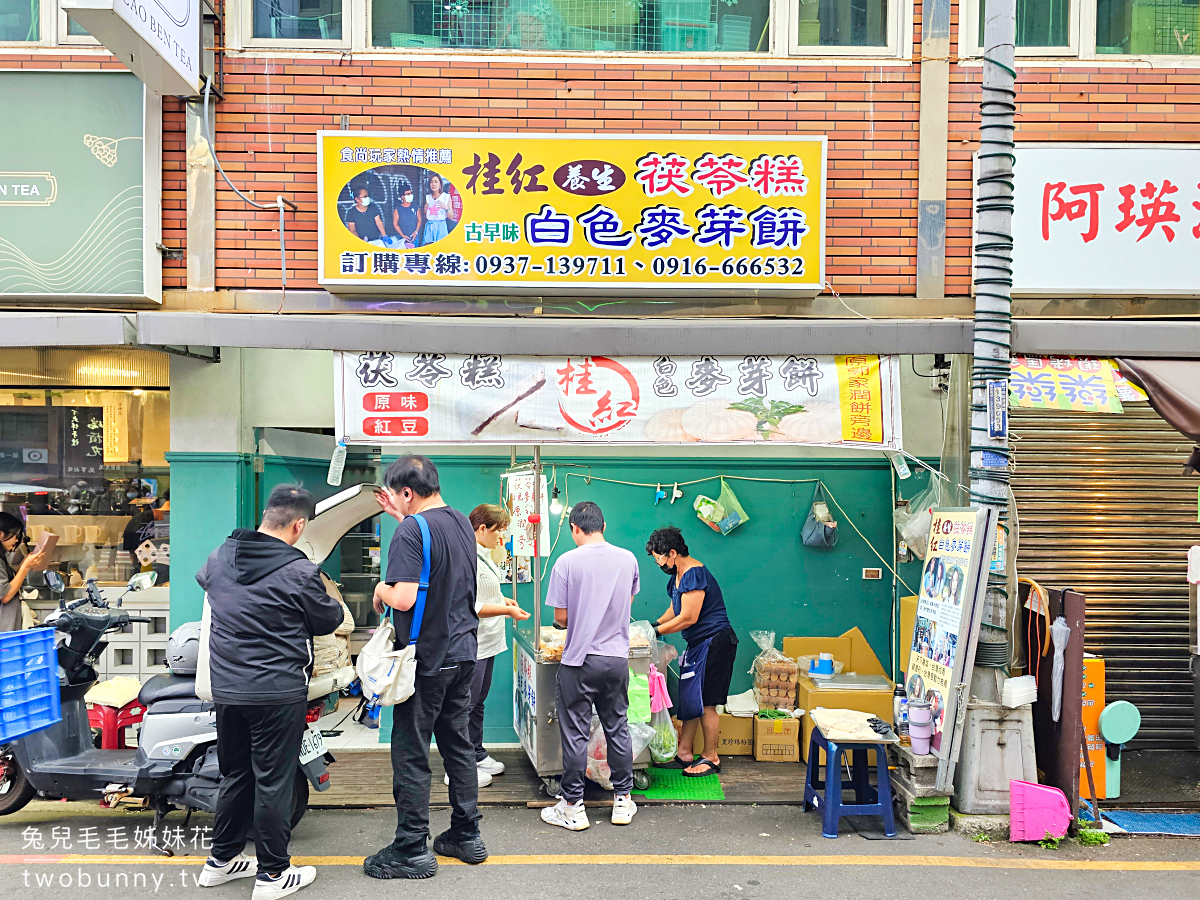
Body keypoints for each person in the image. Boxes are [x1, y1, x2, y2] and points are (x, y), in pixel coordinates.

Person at [196, 484, 345, 900]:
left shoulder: (220, 555)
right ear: (299, 524)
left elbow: (209, 586)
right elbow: (327, 619)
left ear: (266, 515)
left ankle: (220, 862)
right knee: (273, 781)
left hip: (227, 689)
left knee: (236, 774)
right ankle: (273, 874)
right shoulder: (299, 571)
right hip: (276, 692)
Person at [365, 456, 486, 879]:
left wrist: (380, 587)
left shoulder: (410, 531)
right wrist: (404, 519)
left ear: (406, 493)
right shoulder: (460, 523)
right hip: (464, 652)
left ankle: (412, 847)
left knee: (412, 752)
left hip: (426, 659)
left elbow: (404, 598)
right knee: (458, 745)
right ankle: (466, 835)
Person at [541, 501, 640, 832]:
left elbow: (560, 618)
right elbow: (624, 604)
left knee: (575, 735)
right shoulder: (628, 559)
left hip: (580, 661)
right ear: (604, 525)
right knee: (617, 727)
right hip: (616, 659)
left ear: (574, 528)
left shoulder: (566, 562)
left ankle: (573, 807)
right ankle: (623, 800)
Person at [645, 525, 737, 778]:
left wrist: (657, 632)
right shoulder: (677, 576)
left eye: (660, 558)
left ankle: (711, 757)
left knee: (707, 703)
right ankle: (684, 752)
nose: (659, 563)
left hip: (715, 642)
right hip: (698, 645)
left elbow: (688, 617)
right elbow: (674, 610)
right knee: (691, 700)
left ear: (672, 553)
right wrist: (652, 626)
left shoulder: (694, 573)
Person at [453, 503, 529, 788]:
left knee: (478, 702)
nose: (501, 539)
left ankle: (476, 752)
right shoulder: (465, 557)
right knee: (464, 705)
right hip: (473, 642)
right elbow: (469, 604)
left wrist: (503, 600)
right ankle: (458, 765)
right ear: (482, 528)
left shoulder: (483, 555)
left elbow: (486, 592)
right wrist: (507, 611)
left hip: (489, 641)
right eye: (498, 532)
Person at [0, 513, 45, 632]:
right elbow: (5, 596)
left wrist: (24, 565)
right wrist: (25, 567)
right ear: (0, 534)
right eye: (15, 535)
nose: (16, 540)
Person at [422, 174, 456, 245]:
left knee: (441, 249)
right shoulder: (427, 197)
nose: (433, 184)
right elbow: (426, 217)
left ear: (440, 184)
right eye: (431, 182)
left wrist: (446, 207)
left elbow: (451, 217)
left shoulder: (446, 197)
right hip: (429, 227)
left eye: (436, 182)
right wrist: (425, 211)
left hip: (441, 227)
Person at [391, 178, 422, 248]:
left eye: (411, 193)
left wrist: (416, 232)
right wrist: (402, 235)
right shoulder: (397, 209)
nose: (410, 195)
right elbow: (395, 224)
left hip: (414, 237)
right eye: (408, 194)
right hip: (401, 238)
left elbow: (419, 220)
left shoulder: (416, 207)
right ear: (402, 197)